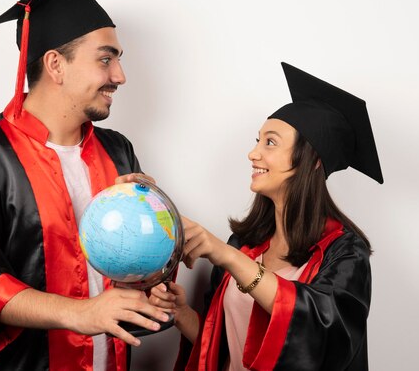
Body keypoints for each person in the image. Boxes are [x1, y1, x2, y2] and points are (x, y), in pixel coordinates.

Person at [0, 0, 169, 370]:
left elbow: (127, 272)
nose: (120, 76)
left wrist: (155, 279)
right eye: (105, 59)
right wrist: (82, 313)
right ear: (56, 65)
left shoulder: (117, 151)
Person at [151, 62, 384, 370]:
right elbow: (223, 349)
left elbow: (320, 336)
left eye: (270, 142)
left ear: (310, 161)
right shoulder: (246, 243)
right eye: (257, 139)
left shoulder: (345, 255)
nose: (253, 153)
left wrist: (226, 256)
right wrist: (182, 314)